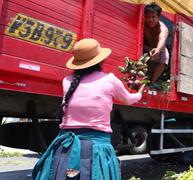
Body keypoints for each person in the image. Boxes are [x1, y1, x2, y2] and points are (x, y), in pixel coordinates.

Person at [32, 38, 144, 180]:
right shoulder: (109, 80)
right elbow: (128, 99)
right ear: (100, 60)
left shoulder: (67, 81)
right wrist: (139, 93)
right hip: (97, 148)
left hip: (65, 146)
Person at [144, 2, 169, 88]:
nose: (150, 20)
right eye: (148, 17)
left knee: (164, 59)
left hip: (159, 47)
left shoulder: (163, 28)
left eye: (153, 17)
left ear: (158, 17)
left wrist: (158, 49)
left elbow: (162, 38)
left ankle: (152, 83)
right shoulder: (143, 24)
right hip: (145, 46)